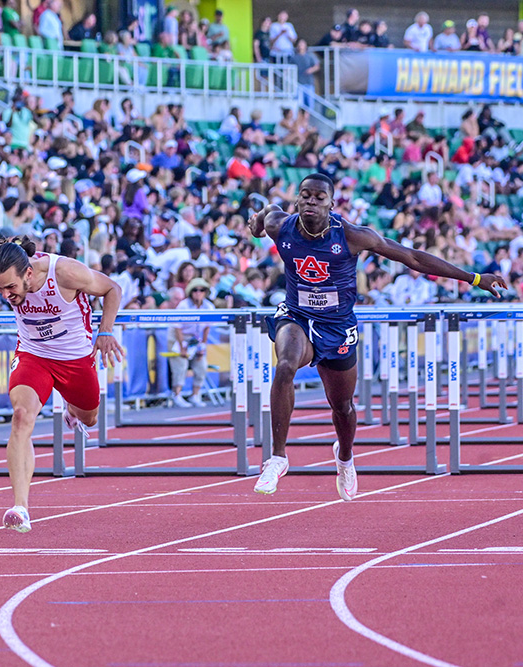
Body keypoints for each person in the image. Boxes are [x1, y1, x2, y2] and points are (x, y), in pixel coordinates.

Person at [247, 173, 505, 501]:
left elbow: (411, 258)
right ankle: (278, 457)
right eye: (305, 196)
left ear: (331, 203)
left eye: (319, 197)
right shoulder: (280, 226)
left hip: (337, 326)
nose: (311, 202)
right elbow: (265, 216)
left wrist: (474, 277)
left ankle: (345, 458)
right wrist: (255, 224)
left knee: (342, 406)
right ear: (297, 199)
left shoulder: (353, 236)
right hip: (297, 316)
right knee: (285, 365)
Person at [0, 236, 124, 533]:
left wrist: (105, 331)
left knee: (90, 416)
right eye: (0, 289)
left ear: (29, 273)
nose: (7, 295)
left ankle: (74, 412)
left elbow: (113, 288)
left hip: (75, 357)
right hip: (33, 354)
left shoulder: (65, 272)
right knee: (21, 417)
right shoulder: (11, 263)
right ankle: (20, 507)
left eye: (11, 287)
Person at [169, 278, 214, 407]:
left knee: (202, 366)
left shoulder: (209, 306)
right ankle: (176, 395)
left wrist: (203, 346)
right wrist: (182, 347)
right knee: (181, 365)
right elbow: (177, 327)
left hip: (196, 339)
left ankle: (195, 395)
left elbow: (207, 327)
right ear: (190, 292)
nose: (198, 293)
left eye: (201, 290)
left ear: (206, 292)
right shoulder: (183, 305)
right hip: (178, 336)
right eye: (195, 290)